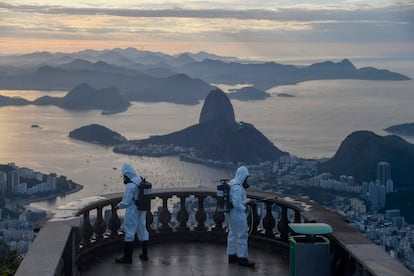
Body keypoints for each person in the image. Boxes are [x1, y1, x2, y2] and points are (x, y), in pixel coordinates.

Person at [115, 163, 149, 264]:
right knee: (143, 230)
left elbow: (126, 202)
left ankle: (127, 258)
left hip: (132, 211)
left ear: (127, 174)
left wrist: (118, 206)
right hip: (142, 209)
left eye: (124, 176)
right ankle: (145, 255)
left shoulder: (130, 186)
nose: (123, 178)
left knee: (129, 232)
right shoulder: (140, 180)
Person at [226, 165, 256, 267]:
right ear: (243, 176)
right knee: (242, 235)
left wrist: (247, 201)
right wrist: (245, 208)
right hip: (237, 214)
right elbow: (237, 203)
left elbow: (236, 201)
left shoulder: (232, 183)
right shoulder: (237, 187)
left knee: (232, 234)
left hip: (231, 214)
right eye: (246, 177)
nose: (247, 180)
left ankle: (232, 255)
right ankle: (242, 258)